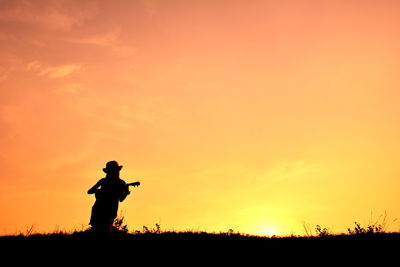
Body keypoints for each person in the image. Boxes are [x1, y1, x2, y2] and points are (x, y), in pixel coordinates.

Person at [88, 161, 131, 233]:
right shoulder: (119, 182)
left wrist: (126, 192)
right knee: (104, 230)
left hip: (103, 209)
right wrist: (99, 191)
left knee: (100, 230)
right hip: (104, 209)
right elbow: (121, 199)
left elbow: (90, 191)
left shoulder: (105, 181)